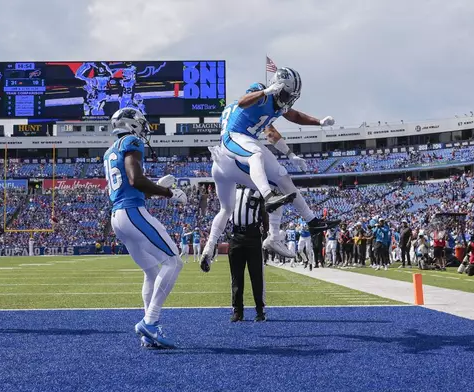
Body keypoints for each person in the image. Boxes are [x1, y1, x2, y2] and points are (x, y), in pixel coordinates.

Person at [200, 67, 336, 269]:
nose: (288, 99)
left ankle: (308, 222)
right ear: (277, 86)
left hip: (230, 158)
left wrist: (315, 127)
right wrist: (266, 91)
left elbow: (283, 124)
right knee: (256, 156)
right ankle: (268, 198)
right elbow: (242, 101)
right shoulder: (261, 94)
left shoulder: (274, 105)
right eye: (286, 94)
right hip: (231, 141)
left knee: (281, 177)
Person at [104, 107, 187, 349]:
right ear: (132, 125)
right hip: (131, 212)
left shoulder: (110, 150)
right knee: (174, 261)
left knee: (151, 271)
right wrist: (170, 193)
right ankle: (150, 323)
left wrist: (155, 189)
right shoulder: (130, 141)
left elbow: (131, 187)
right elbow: (135, 180)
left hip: (118, 215)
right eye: (141, 123)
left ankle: (148, 333)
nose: (144, 128)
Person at [228, 185, 268, 322]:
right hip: (236, 235)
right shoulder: (231, 190)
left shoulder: (257, 191)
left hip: (253, 236)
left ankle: (260, 310)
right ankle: (237, 310)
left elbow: (264, 213)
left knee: (256, 275)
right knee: (236, 277)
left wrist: (267, 233)